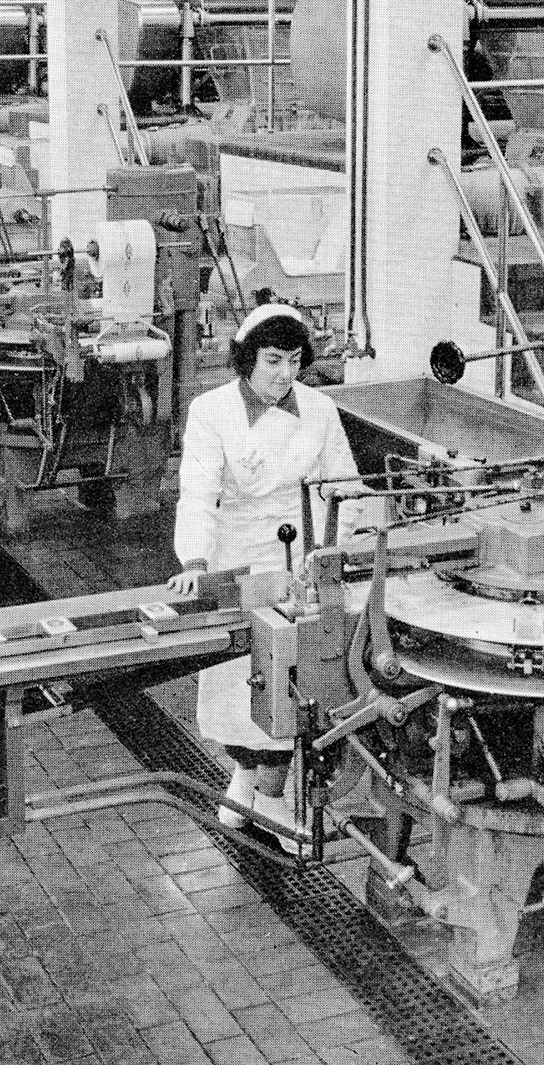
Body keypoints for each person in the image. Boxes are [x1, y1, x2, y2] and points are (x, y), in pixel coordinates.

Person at [167, 303, 359, 841]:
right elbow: (198, 491)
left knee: (291, 689)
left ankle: (254, 801)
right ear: (246, 359)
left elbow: (344, 486)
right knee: (243, 693)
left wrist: (349, 549)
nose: (284, 374)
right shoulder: (211, 411)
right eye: (272, 361)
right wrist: (196, 564)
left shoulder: (319, 411)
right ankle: (258, 801)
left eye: (294, 362)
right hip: (235, 561)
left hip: (300, 563)